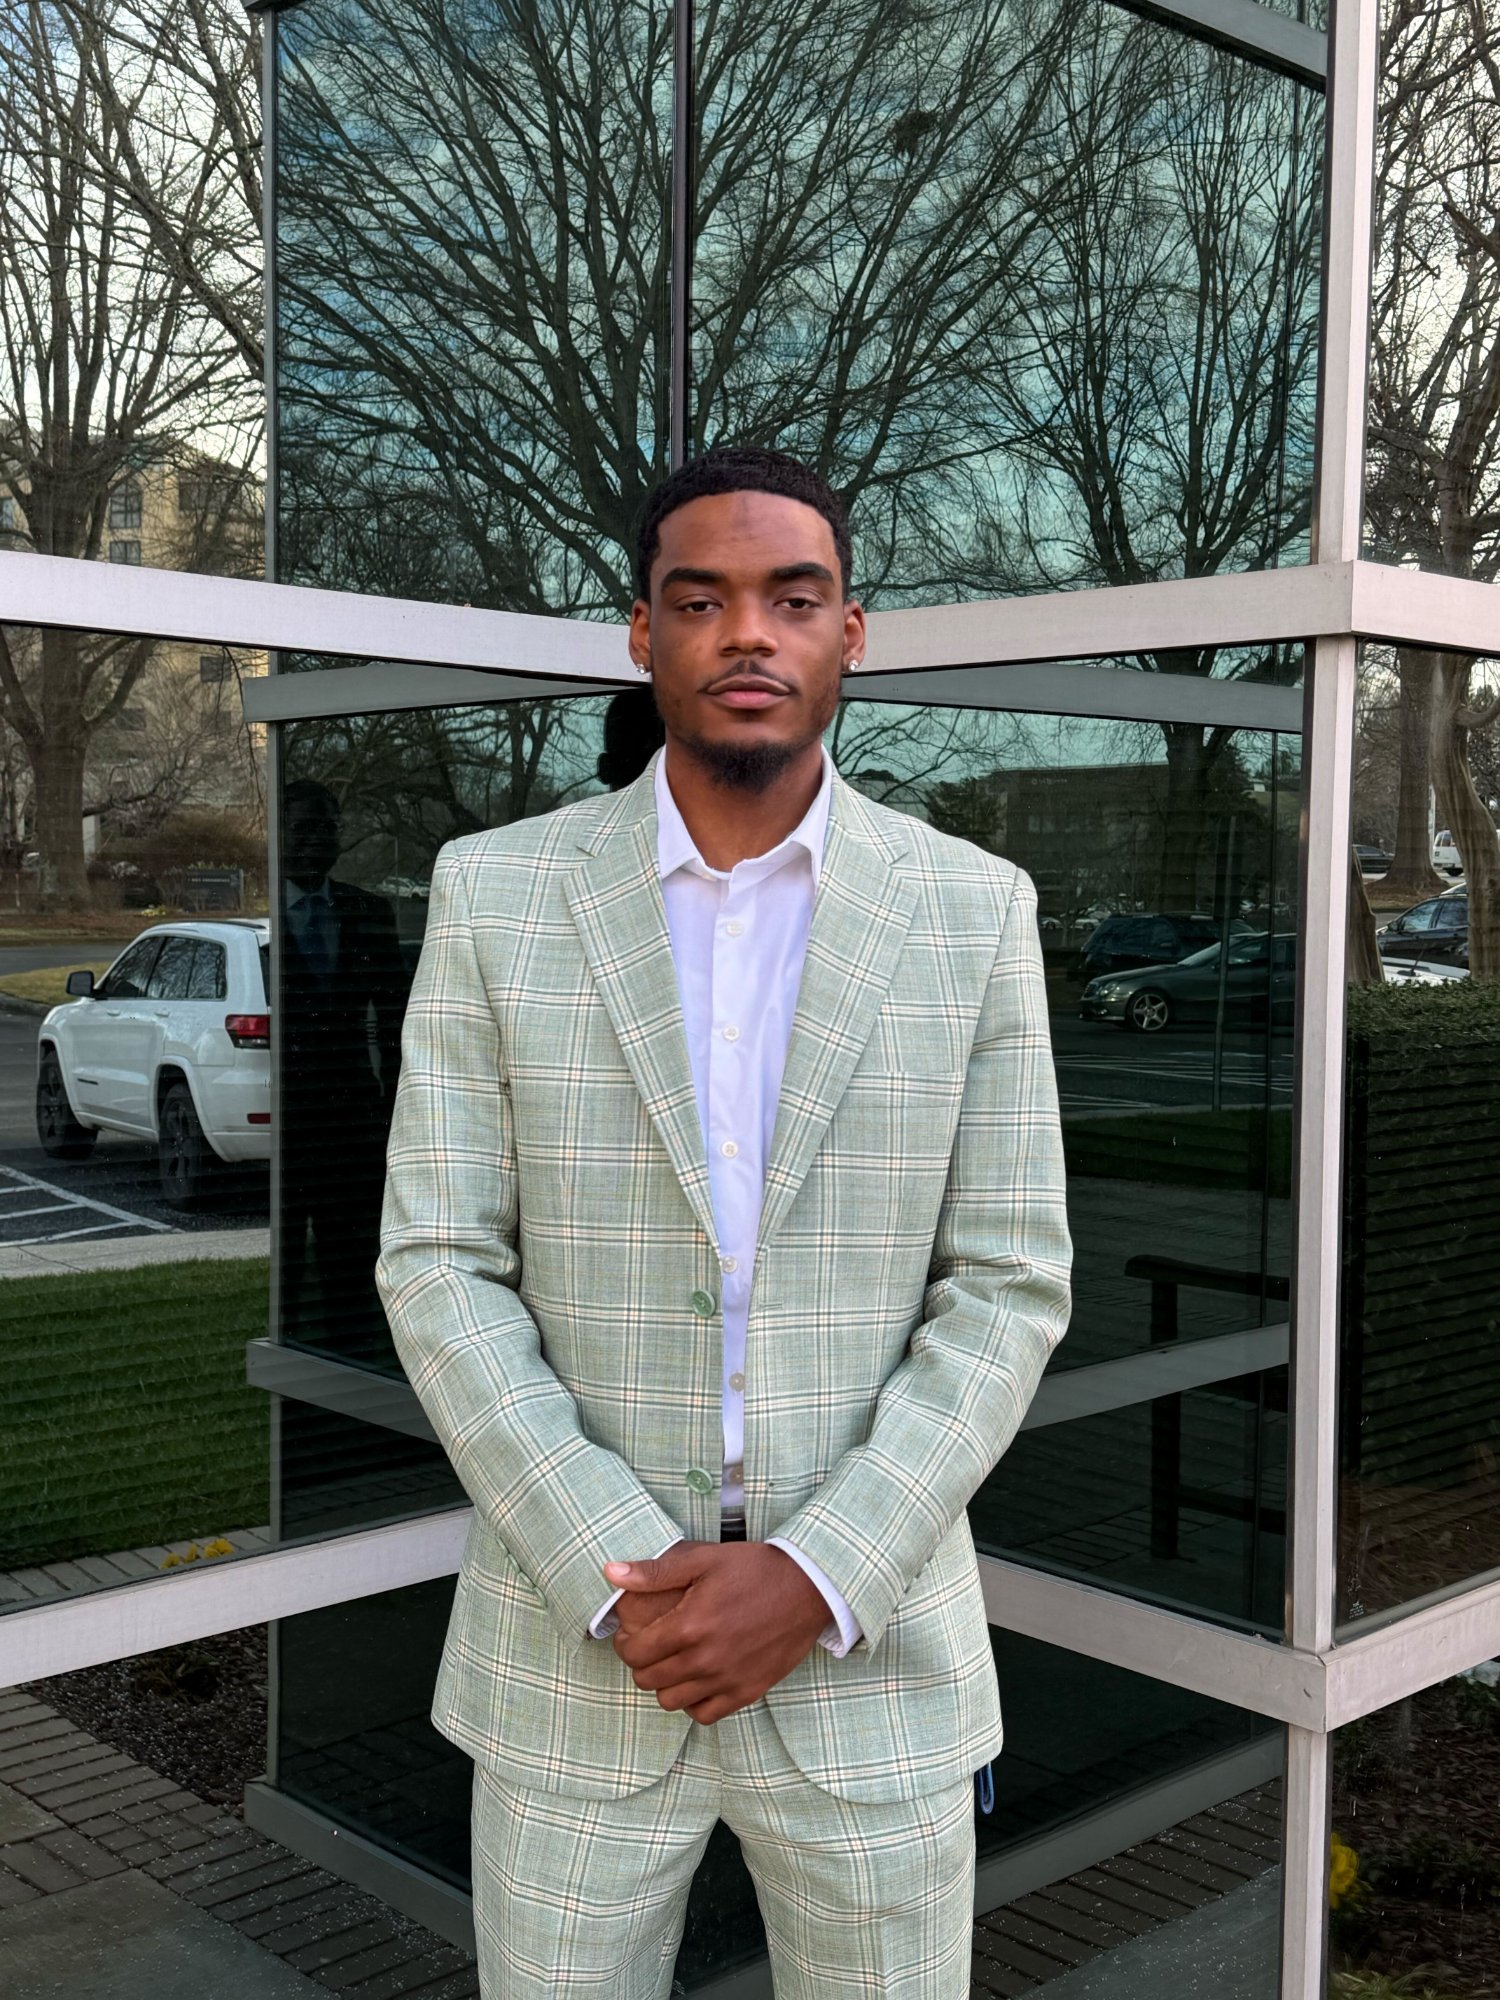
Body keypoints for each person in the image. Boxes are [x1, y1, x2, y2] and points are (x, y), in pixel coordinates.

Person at [376, 446, 1072, 1998]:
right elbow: (438, 1263)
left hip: (871, 1660)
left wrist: (815, 1574)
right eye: (702, 600)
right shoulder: (495, 897)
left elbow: (1011, 1285)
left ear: (851, 632)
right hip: (578, 1662)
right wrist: (620, 1566)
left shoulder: (974, 909)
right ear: (644, 633)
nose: (746, 634)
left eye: (791, 597)